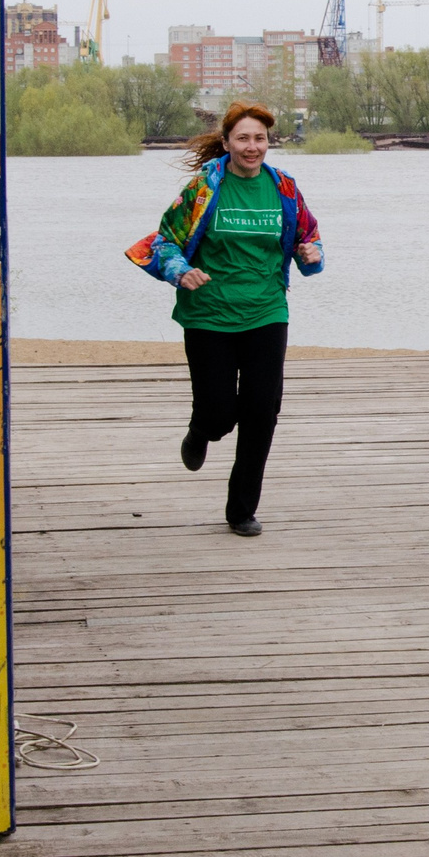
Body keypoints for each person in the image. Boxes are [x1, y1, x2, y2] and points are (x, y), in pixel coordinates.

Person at [125, 101, 324, 536]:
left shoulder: (285, 188)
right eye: (243, 138)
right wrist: (181, 270)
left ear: (268, 142)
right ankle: (201, 430)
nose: (252, 147)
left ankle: (241, 510)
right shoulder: (204, 188)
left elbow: (308, 238)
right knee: (218, 412)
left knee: (262, 411)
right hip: (209, 314)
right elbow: (164, 242)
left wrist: (311, 255)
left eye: (260, 139)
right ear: (228, 142)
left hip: (267, 311)